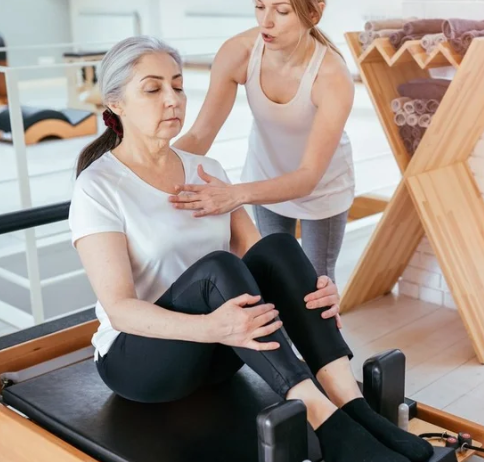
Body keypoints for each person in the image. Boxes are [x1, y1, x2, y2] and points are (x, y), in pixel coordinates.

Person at [68, 36, 433, 462]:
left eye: (179, 86)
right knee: (217, 269)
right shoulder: (98, 187)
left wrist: (314, 292)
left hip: (221, 353)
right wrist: (212, 329)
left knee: (278, 246)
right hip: (143, 363)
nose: (173, 100)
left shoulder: (206, 171)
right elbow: (120, 309)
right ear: (116, 103)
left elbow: (267, 264)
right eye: (153, 89)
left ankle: (354, 407)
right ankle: (328, 426)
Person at [170, 0, 355, 282]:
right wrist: (146, 167)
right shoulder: (239, 52)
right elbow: (200, 135)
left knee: (317, 284)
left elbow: (307, 178)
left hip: (322, 189)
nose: (265, 22)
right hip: (265, 177)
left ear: (314, 13)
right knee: (275, 276)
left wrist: (236, 194)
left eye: (281, 11)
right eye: (259, 6)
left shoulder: (331, 77)